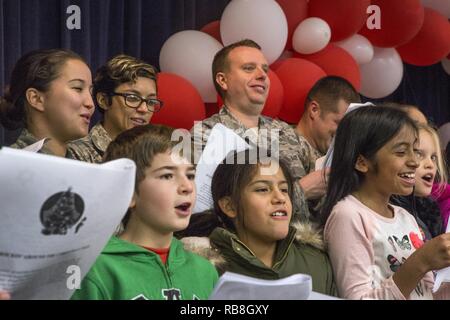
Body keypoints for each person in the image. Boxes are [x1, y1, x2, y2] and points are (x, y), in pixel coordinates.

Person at [71, 124, 218, 300]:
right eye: (167, 176)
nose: (187, 187)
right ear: (128, 192)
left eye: (190, 175)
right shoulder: (95, 270)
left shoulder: (205, 271)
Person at [321, 105, 450, 299]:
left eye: (414, 151)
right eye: (401, 152)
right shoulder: (349, 215)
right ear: (362, 162)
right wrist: (421, 261)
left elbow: (425, 295)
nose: (414, 162)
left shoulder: (405, 217)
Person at [183, 149, 336, 296]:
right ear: (229, 206)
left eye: (284, 189)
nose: (280, 198)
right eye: (262, 189)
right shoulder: (198, 268)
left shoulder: (316, 261)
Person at [190, 39, 309, 221]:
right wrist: (303, 189)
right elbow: (199, 210)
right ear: (223, 80)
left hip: (300, 246)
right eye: (248, 68)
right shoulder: (202, 136)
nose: (262, 75)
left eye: (265, 70)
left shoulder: (287, 133)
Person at [0, 49, 95, 157]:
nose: (90, 103)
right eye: (78, 88)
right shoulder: (9, 167)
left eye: (91, 93)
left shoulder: (86, 166)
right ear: (36, 99)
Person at [69, 54, 161, 163]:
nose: (144, 109)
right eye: (132, 98)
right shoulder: (76, 154)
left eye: (151, 102)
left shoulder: (155, 155)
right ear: (104, 100)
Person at [294, 76, 361, 219]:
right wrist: (303, 190)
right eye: (339, 123)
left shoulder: (344, 158)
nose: (344, 134)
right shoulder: (279, 141)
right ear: (314, 110)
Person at [391, 124, 446, 240]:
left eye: (433, 157)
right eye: (418, 154)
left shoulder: (430, 213)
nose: (430, 164)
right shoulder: (389, 211)